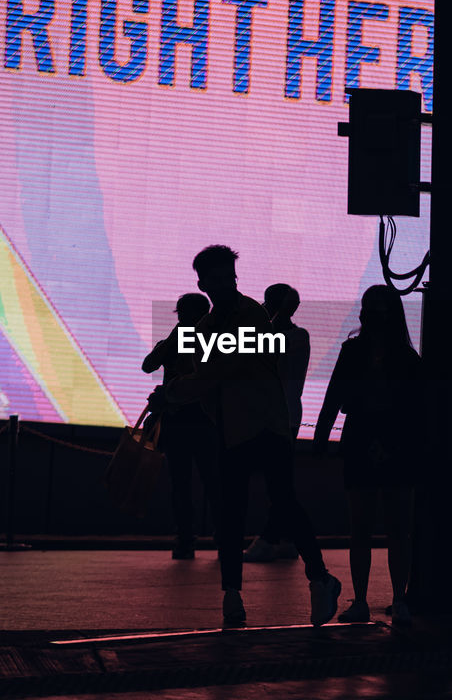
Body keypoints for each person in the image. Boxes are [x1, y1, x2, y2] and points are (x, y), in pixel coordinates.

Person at [165, 246, 340, 627]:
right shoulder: (214, 327)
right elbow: (214, 378)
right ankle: (235, 594)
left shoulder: (251, 317)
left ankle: (317, 577)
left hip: (266, 427)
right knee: (236, 511)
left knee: (280, 502)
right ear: (203, 283)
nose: (227, 283)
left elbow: (221, 370)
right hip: (236, 431)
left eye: (229, 276)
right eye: (219, 277)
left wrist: (176, 390)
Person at [314, 285, 421, 625]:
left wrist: (320, 439)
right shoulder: (405, 357)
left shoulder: (358, 352)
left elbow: (334, 398)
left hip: (369, 442)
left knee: (377, 528)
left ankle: (371, 600)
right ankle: (393, 600)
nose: (369, 314)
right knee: (389, 529)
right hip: (392, 444)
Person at [142, 293, 218, 560]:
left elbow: (148, 365)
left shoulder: (178, 343)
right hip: (205, 424)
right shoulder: (211, 343)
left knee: (182, 485)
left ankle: (186, 539)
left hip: (180, 423)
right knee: (211, 483)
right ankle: (220, 538)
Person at [243, 283, 310, 562]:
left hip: (283, 417)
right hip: (267, 416)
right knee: (278, 481)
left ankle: (272, 538)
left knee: (278, 482)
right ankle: (287, 538)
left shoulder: (296, 336)